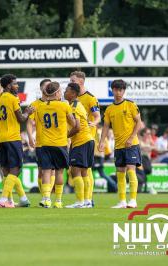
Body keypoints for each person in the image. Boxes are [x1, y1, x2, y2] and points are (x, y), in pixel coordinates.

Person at [99, 79, 142, 209]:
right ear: (112, 90)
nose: (118, 92)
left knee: (131, 169)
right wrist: (101, 141)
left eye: (121, 90)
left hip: (131, 144)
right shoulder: (109, 109)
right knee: (120, 172)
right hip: (118, 146)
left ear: (124, 91)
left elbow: (139, 123)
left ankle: (133, 200)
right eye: (116, 89)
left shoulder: (130, 105)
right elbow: (106, 127)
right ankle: (122, 201)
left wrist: (131, 137)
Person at [0, 74, 33, 208]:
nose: (17, 86)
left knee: (6, 170)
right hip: (13, 138)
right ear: (9, 86)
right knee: (15, 169)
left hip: (3, 138)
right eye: (15, 84)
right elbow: (21, 119)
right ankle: (3, 199)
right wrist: (27, 112)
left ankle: (20, 199)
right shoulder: (13, 98)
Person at [36, 81, 78, 208]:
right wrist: (68, 134)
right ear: (57, 92)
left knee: (46, 171)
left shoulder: (40, 107)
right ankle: (58, 200)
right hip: (60, 143)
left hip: (45, 143)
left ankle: (46, 198)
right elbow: (74, 124)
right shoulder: (64, 106)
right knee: (59, 172)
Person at [69, 71, 101, 207]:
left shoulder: (90, 98)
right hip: (77, 137)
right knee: (84, 169)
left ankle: (87, 199)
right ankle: (86, 200)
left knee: (85, 169)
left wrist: (93, 123)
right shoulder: (72, 99)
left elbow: (98, 116)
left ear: (81, 82)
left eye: (72, 80)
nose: (70, 82)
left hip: (86, 136)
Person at [64, 82, 94, 208]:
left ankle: (79, 201)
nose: (65, 92)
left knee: (75, 171)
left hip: (81, 141)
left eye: (67, 90)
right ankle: (86, 201)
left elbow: (76, 127)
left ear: (73, 93)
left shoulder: (74, 106)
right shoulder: (76, 105)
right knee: (84, 173)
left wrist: (65, 136)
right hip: (88, 140)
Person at [26, 78, 56, 198]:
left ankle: (47, 196)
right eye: (46, 86)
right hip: (41, 142)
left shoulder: (58, 103)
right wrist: (30, 137)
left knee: (52, 170)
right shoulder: (35, 104)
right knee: (41, 171)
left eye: (50, 86)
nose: (48, 88)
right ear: (41, 89)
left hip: (55, 142)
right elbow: (29, 122)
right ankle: (44, 195)